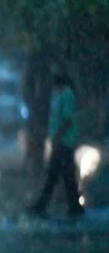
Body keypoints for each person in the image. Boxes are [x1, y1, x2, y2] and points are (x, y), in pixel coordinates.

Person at [27, 73, 84, 217]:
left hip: (65, 142)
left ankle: (43, 205)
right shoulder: (60, 95)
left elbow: (67, 119)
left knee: (55, 175)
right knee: (64, 176)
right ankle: (73, 206)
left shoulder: (67, 95)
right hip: (60, 142)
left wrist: (57, 137)